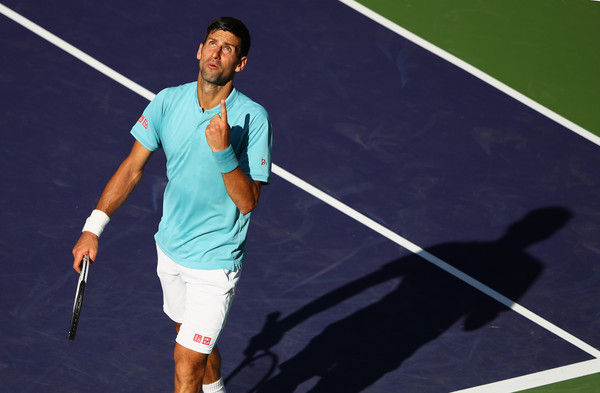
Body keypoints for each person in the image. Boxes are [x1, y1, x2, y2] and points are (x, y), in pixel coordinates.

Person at [72, 16, 273, 393]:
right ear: (199, 50)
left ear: (240, 63)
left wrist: (223, 151)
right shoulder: (167, 101)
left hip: (215, 261)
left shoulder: (254, 118)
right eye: (212, 43)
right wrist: (92, 228)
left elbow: (248, 202)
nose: (217, 53)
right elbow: (132, 168)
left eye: (228, 48)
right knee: (192, 341)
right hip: (170, 250)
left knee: (186, 361)